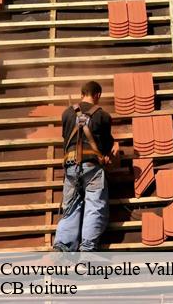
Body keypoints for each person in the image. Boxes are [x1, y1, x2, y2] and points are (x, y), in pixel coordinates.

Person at [53, 81, 114, 252]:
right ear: (98, 95)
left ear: (81, 94)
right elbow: (107, 146)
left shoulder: (67, 113)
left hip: (71, 167)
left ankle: (63, 248)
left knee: (71, 207)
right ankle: (87, 250)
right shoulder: (103, 116)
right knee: (94, 207)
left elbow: (66, 138)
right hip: (92, 167)